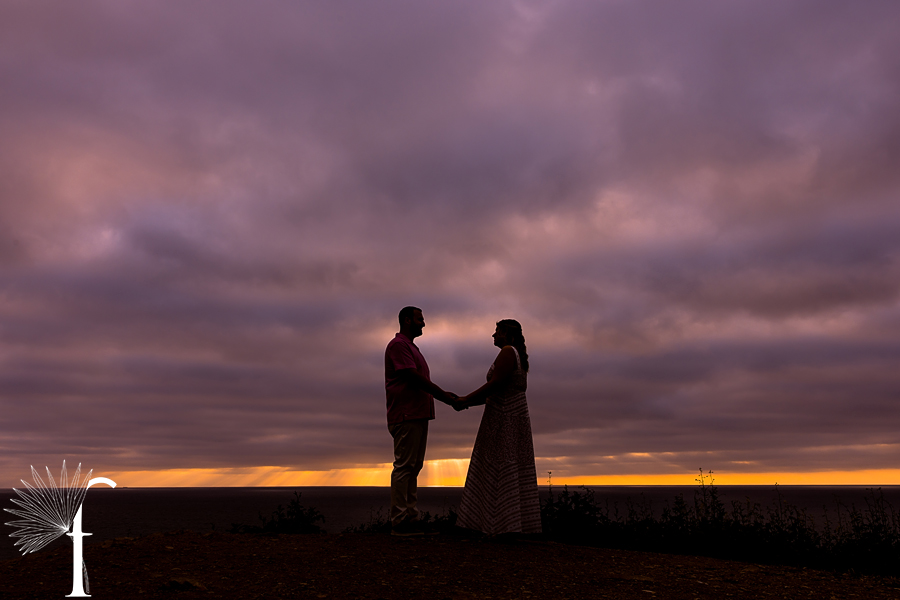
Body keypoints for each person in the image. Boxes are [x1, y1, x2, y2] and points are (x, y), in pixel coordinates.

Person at [454, 319, 542, 536]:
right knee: (509, 467)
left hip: (504, 420)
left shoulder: (507, 351)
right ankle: (507, 524)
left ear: (507, 334)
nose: (493, 335)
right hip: (513, 417)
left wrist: (465, 399)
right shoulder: (518, 356)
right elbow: (498, 391)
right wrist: (468, 402)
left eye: (497, 331)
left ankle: (499, 526)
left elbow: (495, 385)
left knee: (500, 466)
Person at [384, 306, 458, 537]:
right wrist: (445, 396)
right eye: (419, 319)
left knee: (413, 467)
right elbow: (413, 377)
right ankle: (400, 521)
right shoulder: (399, 346)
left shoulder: (409, 347)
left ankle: (410, 517)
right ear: (407, 320)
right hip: (406, 414)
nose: (423, 323)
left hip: (416, 413)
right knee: (405, 467)